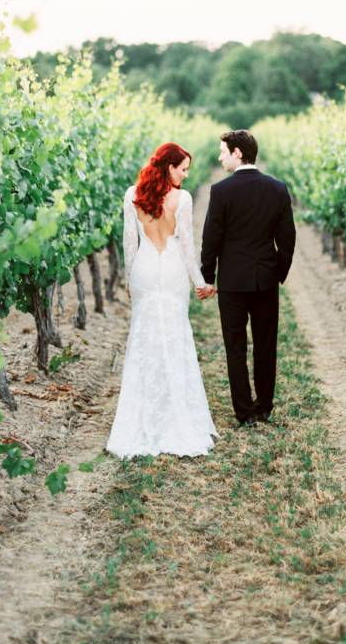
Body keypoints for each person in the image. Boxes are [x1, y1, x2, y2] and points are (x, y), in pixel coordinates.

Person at [106, 142, 218, 458]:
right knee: (175, 336)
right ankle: (176, 415)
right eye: (183, 168)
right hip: (170, 269)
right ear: (169, 167)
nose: (186, 174)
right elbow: (185, 247)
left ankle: (143, 418)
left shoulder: (133, 194)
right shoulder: (181, 199)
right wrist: (201, 282)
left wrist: (130, 281)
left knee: (143, 338)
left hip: (143, 266)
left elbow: (129, 243)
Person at [200, 130, 296, 427]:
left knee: (235, 346)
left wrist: (208, 276)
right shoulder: (277, 189)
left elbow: (211, 239)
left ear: (238, 152)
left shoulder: (221, 191)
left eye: (223, 151)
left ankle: (244, 412)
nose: (220, 157)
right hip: (265, 280)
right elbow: (288, 239)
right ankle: (264, 407)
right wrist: (277, 271)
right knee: (266, 345)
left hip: (232, 281)